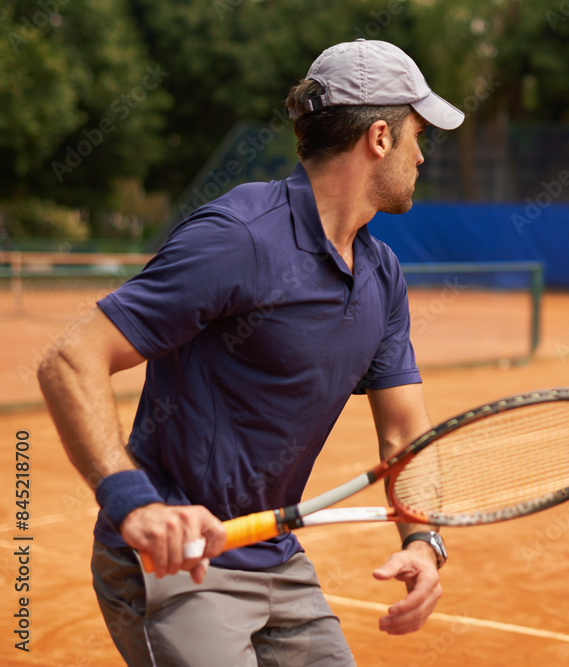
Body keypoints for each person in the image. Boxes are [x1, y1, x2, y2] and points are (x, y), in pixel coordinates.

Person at [37, 39, 465, 666]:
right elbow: (71, 359)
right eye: (416, 135)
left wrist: (424, 542)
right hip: (178, 561)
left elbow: (404, 433)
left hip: (276, 555)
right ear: (379, 137)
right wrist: (134, 504)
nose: (422, 154)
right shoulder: (240, 238)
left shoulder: (382, 273)